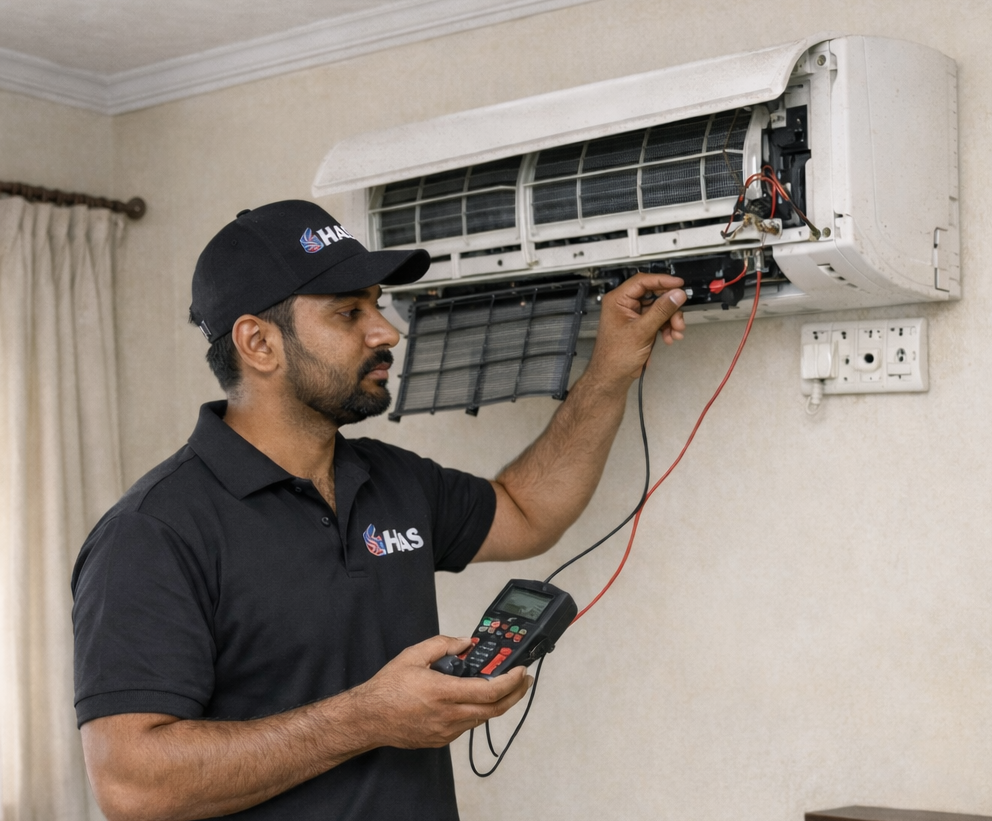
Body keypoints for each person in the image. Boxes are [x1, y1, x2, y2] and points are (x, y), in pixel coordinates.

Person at [72, 200, 686, 821]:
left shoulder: (392, 478)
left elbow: (528, 511)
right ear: (258, 343)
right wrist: (366, 719)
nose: (387, 332)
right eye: (349, 312)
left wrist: (610, 369)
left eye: (378, 304)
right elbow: (132, 785)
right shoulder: (152, 531)